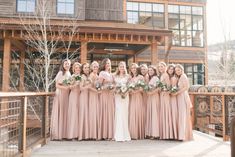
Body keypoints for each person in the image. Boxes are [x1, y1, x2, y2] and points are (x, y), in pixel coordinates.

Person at [51, 59, 71, 140]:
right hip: (60, 94)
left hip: (66, 95)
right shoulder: (60, 73)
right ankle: (57, 134)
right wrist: (65, 88)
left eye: (68, 64)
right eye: (66, 64)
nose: (67, 65)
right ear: (63, 65)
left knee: (65, 112)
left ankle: (64, 134)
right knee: (60, 112)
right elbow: (57, 85)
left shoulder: (69, 73)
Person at [172, 64, 193, 141]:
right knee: (181, 115)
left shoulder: (184, 76)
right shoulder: (179, 77)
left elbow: (187, 87)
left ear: (182, 70)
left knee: (183, 115)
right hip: (179, 97)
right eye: (176, 70)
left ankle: (183, 136)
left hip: (183, 97)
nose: (177, 71)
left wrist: (177, 93)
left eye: (179, 70)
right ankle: (181, 135)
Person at [113, 62, 131, 142]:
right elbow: (113, 87)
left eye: (123, 66)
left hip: (125, 96)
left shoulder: (128, 76)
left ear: (125, 68)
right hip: (117, 96)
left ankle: (125, 135)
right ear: (118, 67)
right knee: (119, 113)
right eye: (120, 66)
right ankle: (118, 135)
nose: (122, 68)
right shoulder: (115, 76)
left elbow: (130, 86)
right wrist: (117, 91)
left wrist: (125, 92)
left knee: (124, 113)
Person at [98, 58, 115, 140]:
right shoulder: (102, 73)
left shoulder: (111, 74)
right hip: (104, 95)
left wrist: (112, 87)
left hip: (111, 96)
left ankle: (110, 134)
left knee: (110, 113)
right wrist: (106, 87)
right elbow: (99, 86)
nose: (108, 64)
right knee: (105, 113)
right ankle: (104, 134)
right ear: (104, 64)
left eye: (109, 63)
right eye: (107, 63)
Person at [128, 63, 145, 139]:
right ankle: (132, 133)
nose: (133, 69)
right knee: (131, 114)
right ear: (130, 70)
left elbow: (142, 89)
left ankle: (138, 133)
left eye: (135, 68)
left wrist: (135, 91)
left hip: (138, 97)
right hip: (131, 97)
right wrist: (130, 91)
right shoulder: (130, 78)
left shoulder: (141, 77)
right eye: (132, 68)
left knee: (137, 113)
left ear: (137, 69)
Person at [158, 62, 173, 139]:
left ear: (165, 67)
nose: (160, 68)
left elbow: (169, 86)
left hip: (165, 95)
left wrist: (165, 92)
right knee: (163, 113)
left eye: (162, 66)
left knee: (166, 112)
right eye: (159, 67)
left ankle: (167, 133)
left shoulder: (166, 75)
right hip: (162, 95)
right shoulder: (162, 75)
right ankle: (164, 133)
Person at [67, 62, 81, 139]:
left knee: (79, 114)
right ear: (74, 69)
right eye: (76, 68)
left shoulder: (81, 76)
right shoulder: (72, 76)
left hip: (80, 96)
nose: (78, 69)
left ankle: (79, 134)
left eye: (79, 68)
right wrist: (76, 83)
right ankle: (72, 134)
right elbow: (70, 87)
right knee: (74, 114)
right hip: (73, 95)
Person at [145, 65, 160, 139]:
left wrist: (151, 92)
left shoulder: (155, 78)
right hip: (150, 97)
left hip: (154, 96)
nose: (150, 72)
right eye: (149, 70)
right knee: (151, 114)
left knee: (154, 114)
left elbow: (158, 88)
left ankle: (155, 134)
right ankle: (151, 133)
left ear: (154, 71)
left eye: (151, 70)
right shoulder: (150, 78)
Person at [78, 63, 90, 140]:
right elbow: (81, 88)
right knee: (83, 114)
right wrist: (88, 86)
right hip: (83, 96)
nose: (87, 69)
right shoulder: (82, 77)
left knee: (87, 115)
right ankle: (81, 135)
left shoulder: (89, 76)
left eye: (88, 67)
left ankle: (87, 134)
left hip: (89, 96)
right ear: (82, 69)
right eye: (85, 68)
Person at [88, 61, 100, 140]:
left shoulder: (97, 75)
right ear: (92, 67)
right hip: (93, 95)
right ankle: (92, 134)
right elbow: (89, 87)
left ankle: (96, 133)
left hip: (97, 95)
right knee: (93, 113)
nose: (95, 68)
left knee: (97, 113)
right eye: (94, 66)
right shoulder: (91, 75)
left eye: (97, 66)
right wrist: (97, 91)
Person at [167, 64, 178, 139]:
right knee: (169, 115)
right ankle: (170, 133)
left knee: (173, 114)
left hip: (172, 97)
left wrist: (169, 91)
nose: (171, 70)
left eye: (172, 69)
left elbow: (173, 88)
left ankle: (173, 134)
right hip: (168, 97)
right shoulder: (168, 77)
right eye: (169, 69)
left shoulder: (174, 78)